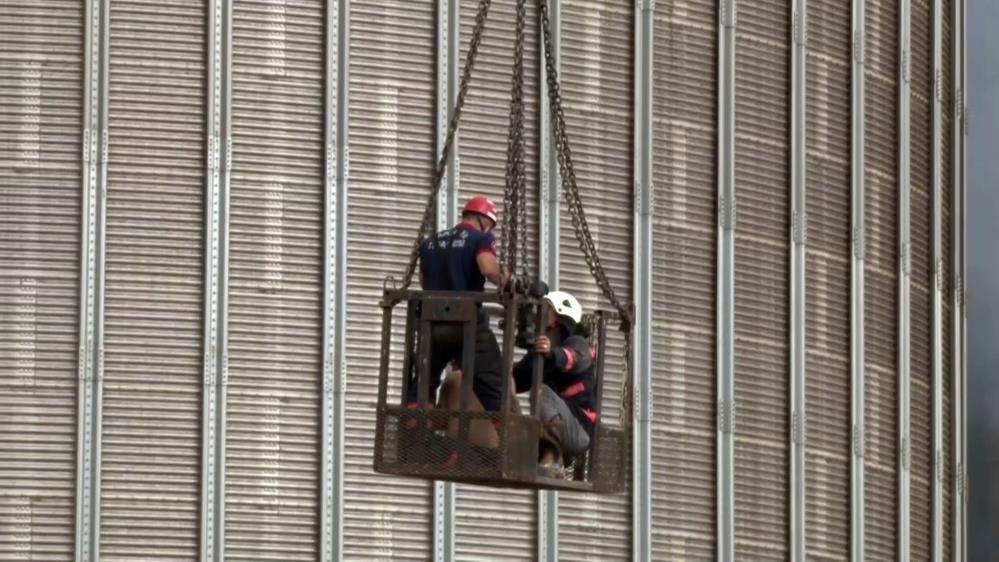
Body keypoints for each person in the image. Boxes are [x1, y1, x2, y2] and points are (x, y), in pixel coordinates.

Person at [407, 196, 510, 444]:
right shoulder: (481, 239)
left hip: (433, 322)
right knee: (493, 378)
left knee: (424, 380)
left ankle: (413, 435)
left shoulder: (430, 242)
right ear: (485, 219)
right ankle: (508, 438)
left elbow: (423, 281)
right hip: (467, 324)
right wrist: (507, 279)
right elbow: (487, 268)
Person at [510, 290, 598, 475]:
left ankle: (554, 457)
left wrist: (552, 353)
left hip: (579, 427)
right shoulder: (540, 356)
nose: (538, 321)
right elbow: (516, 378)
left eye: (545, 314)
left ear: (559, 322)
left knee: (541, 392)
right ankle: (538, 452)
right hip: (566, 424)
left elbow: (572, 358)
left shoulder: (577, 342)